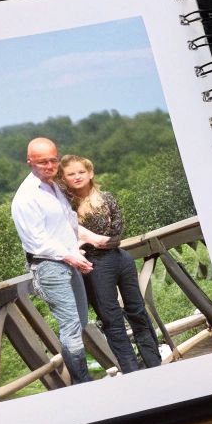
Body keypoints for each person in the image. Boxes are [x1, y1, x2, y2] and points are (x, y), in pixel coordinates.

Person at [9, 136, 107, 385]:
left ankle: (81, 380)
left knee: (81, 321)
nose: (50, 166)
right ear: (29, 162)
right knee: (71, 325)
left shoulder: (55, 187)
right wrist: (70, 255)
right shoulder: (26, 197)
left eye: (53, 160)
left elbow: (66, 224)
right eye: (42, 162)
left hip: (70, 260)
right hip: (49, 265)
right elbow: (36, 241)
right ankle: (82, 383)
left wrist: (89, 240)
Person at [58, 154, 164, 373]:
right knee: (112, 321)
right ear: (64, 178)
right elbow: (68, 236)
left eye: (81, 172)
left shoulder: (106, 197)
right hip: (94, 266)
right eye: (71, 174)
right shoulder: (65, 206)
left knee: (138, 312)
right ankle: (132, 371)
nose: (77, 177)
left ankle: (155, 364)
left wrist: (90, 238)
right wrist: (96, 239)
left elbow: (116, 234)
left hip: (121, 258)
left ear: (90, 173)